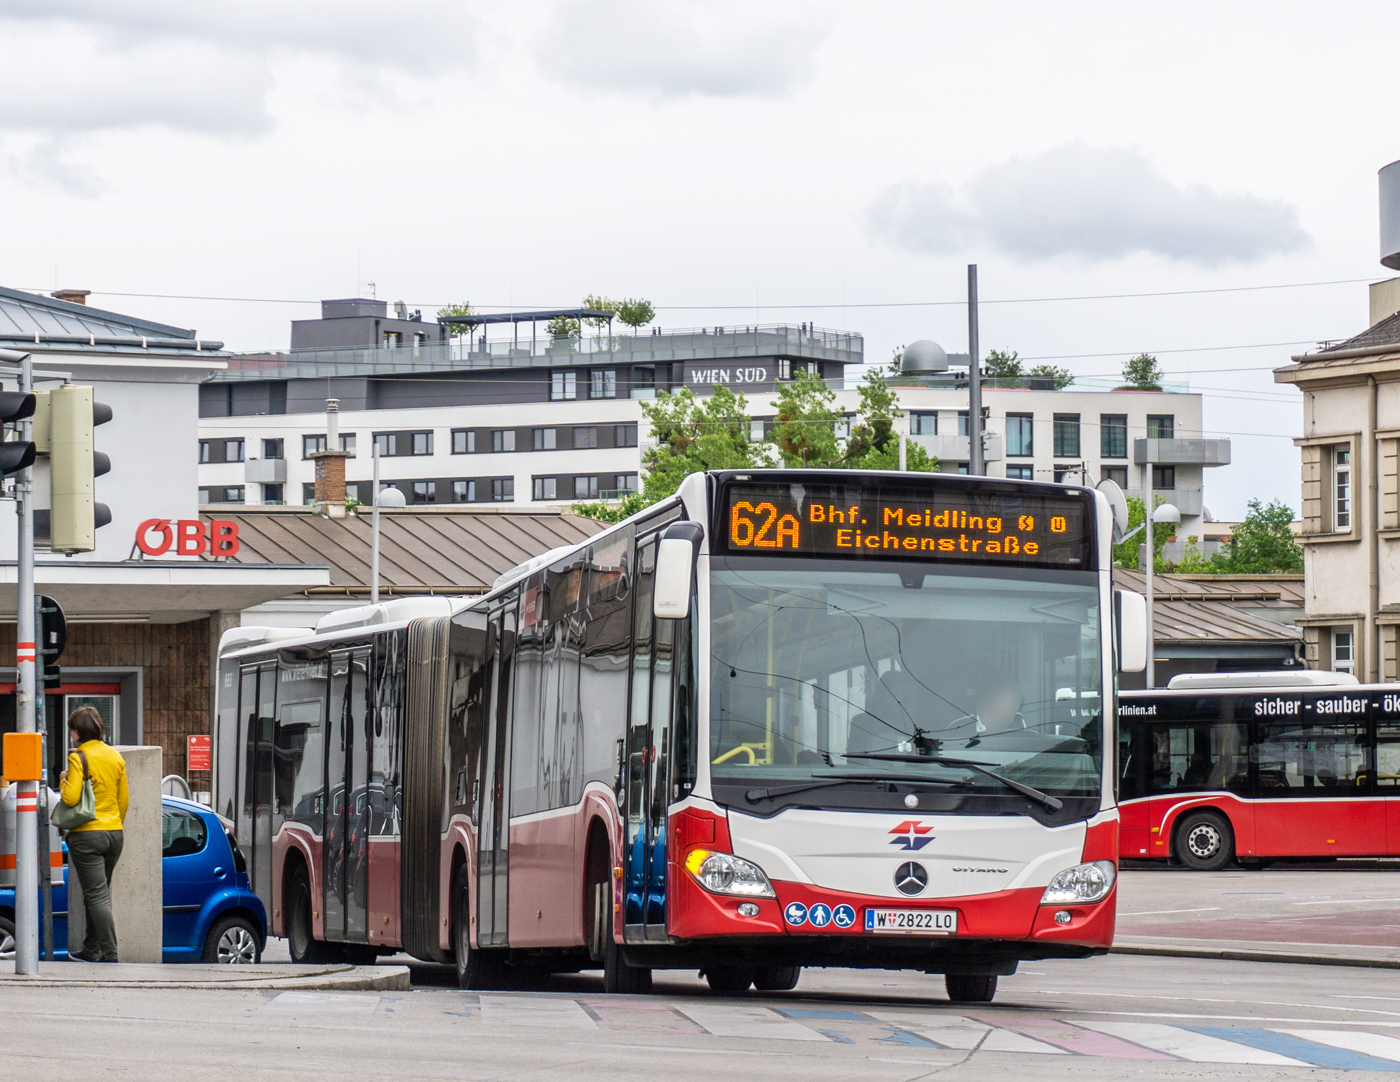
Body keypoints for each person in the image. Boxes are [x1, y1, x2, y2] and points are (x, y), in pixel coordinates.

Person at [59, 706, 129, 963]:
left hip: (87, 835)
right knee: (97, 893)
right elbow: (123, 800)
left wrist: (64, 780)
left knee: (96, 896)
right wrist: (113, 825)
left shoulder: (78, 757)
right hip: (114, 833)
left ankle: (110, 954)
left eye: (72, 730)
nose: (71, 735)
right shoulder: (115, 757)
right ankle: (90, 950)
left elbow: (70, 798)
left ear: (78, 732)